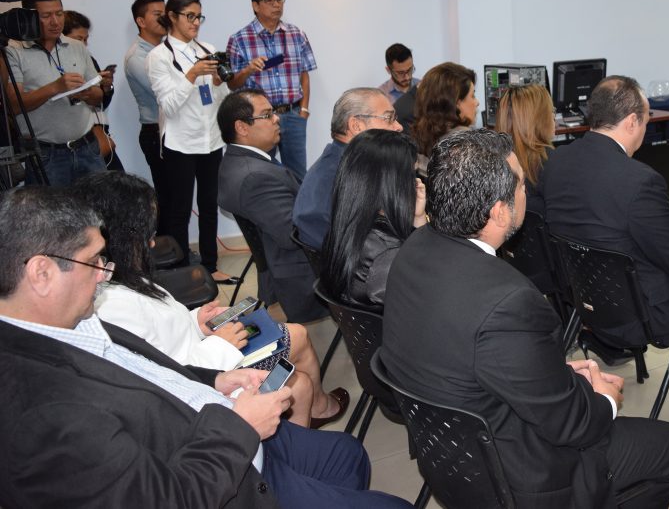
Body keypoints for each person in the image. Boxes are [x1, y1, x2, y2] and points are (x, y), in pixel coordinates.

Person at [0, 186, 412, 509]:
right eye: (94, 262)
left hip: (219, 418)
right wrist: (241, 429)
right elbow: (167, 500)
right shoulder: (42, 413)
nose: (104, 275)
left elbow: (152, 369)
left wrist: (215, 379)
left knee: (348, 455)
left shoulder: (67, 320)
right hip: (225, 469)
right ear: (41, 273)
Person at [381, 129, 669, 508]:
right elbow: (572, 425)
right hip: (521, 479)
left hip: (450, 459)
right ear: (499, 211)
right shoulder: (510, 301)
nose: (526, 192)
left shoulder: (413, 249)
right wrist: (604, 400)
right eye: (522, 185)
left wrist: (552, 373)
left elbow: (473, 353)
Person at [76, 170, 349, 429]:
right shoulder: (112, 306)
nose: (151, 244)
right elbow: (168, 374)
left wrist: (196, 322)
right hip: (207, 372)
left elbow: (163, 329)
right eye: (147, 235)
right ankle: (311, 418)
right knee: (299, 384)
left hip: (208, 351)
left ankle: (317, 410)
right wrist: (222, 344)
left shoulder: (122, 278)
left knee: (297, 335)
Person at [539, 76, 669, 390]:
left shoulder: (555, 161)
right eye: (645, 120)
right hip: (638, 313)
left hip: (584, 300)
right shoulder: (641, 181)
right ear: (632, 121)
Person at [217, 88, 326, 323]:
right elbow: (294, 236)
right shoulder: (255, 177)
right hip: (305, 273)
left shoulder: (240, 161)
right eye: (267, 115)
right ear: (242, 127)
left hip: (278, 262)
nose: (277, 118)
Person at [147, 0, 230, 279]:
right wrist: (192, 74)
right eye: (190, 16)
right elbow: (168, 105)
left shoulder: (207, 48)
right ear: (172, 16)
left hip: (211, 139)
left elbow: (220, 96)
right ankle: (182, 270)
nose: (196, 22)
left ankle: (211, 266)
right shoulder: (158, 57)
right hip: (180, 143)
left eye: (199, 17)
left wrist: (217, 82)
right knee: (179, 210)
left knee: (209, 206)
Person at [3, 0, 105, 185]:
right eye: (46, 16)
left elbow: (98, 96)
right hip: (46, 155)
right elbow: (13, 105)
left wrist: (87, 93)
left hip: (87, 147)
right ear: (30, 17)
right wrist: (55, 88)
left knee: (101, 203)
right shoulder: (13, 51)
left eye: (59, 13)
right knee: (50, 206)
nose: (55, 22)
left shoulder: (76, 46)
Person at [321, 129, 426, 309]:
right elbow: (427, 291)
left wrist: (418, 217)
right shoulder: (389, 253)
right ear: (392, 184)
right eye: (411, 174)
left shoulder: (346, 226)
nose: (416, 182)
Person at [227, 0, 317, 178]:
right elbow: (232, 84)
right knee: (260, 173)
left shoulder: (297, 34)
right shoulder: (239, 40)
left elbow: (304, 74)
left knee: (298, 175)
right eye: (269, 0)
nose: (276, 4)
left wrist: (303, 110)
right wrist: (248, 70)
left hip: (293, 115)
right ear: (255, 5)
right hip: (260, 119)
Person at [293, 88, 402, 249]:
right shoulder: (350, 175)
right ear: (356, 126)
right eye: (388, 118)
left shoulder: (336, 160)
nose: (398, 127)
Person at [124, 0, 171, 234]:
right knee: (167, 196)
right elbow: (164, 93)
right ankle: (167, 247)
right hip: (156, 132)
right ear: (141, 21)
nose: (165, 18)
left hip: (173, 130)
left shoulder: (167, 48)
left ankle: (178, 247)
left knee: (178, 195)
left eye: (166, 13)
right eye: (157, 14)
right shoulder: (137, 57)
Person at [63, 9, 124, 171]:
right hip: (78, 138)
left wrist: (106, 87)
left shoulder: (89, 59)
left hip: (100, 133)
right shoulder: (57, 64)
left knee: (118, 181)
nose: (84, 44)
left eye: (86, 39)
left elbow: (101, 103)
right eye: (79, 39)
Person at [494, 83, 556, 215]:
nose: (554, 116)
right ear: (539, 119)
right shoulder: (553, 163)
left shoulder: (491, 163)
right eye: (551, 111)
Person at [410, 62, 478, 170]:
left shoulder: (422, 137)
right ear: (457, 103)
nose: (477, 102)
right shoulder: (466, 143)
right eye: (472, 96)